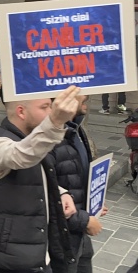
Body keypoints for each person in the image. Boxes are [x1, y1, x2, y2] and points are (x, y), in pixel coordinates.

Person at [0, 86, 83, 273]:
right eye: (45, 107)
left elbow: (35, 176)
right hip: (6, 263)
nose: (49, 113)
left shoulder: (31, 138)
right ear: (21, 112)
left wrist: (60, 193)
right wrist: (55, 121)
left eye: (51, 108)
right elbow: (22, 155)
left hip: (35, 256)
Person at [46, 95, 107, 273]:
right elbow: (44, 192)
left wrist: (94, 202)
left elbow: (76, 177)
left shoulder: (76, 129)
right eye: (80, 91)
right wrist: (83, 221)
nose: (87, 95)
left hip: (80, 235)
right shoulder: (47, 140)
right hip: (62, 238)